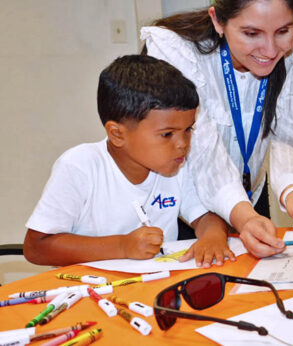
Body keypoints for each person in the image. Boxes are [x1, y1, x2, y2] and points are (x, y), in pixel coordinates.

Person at [141, 0, 293, 257]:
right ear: (218, 20)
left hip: (250, 198)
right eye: (251, 34)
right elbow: (201, 149)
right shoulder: (179, 53)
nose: (270, 50)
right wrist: (241, 215)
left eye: (283, 31)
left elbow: (290, 138)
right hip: (186, 203)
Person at [24, 55, 234, 267]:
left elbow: (206, 216)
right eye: (167, 134)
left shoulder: (176, 165)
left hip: (151, 288)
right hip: (87, 290)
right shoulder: (80, 166)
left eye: (188, 129)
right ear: (117, 134)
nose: (182, 144)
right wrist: (122, 246)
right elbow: (36, 247)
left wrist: (212, 237)